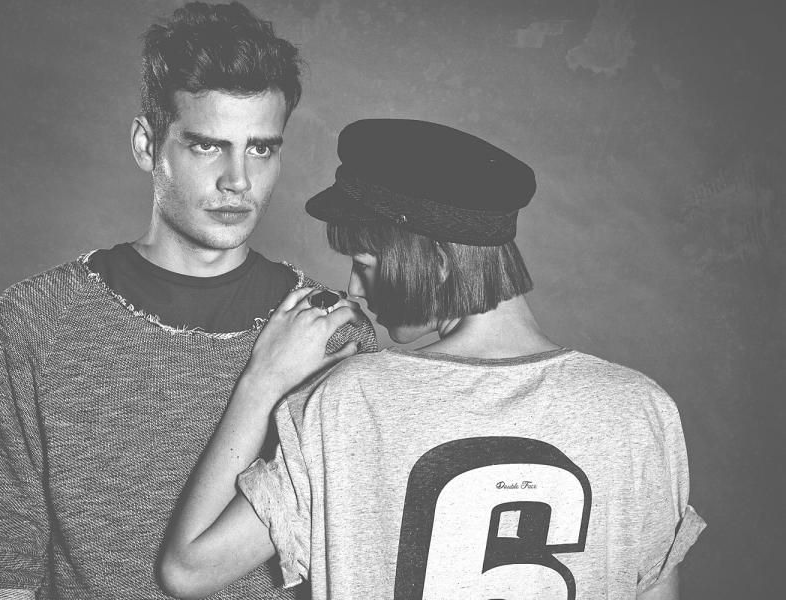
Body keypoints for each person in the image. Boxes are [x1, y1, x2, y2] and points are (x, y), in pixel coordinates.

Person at [158, 119, 706, 599]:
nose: (354, 288)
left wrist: (262, 380)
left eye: (365, 265)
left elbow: (187, 570)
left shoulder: (351, 402)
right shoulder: (640, 411)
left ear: (437, 263)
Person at [0, 3, 377, 599]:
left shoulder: (327, 332)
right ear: (147, 145)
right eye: (207, 146)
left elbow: (357, 557)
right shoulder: (37, 320)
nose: (237, 180)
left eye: (260, 149)